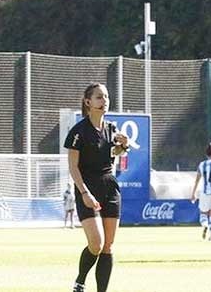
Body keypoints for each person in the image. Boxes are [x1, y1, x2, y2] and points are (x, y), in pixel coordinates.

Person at [65, 83, 131, 292]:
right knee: (96, 243)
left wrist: (124, 146)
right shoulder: (78, 131)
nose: (104, 101)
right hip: (88, 187)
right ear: (88, 102)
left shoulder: (111, 128)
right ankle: (80, 280)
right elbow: (73, 167)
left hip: (109, 186)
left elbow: (113, 154)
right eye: (99, 97)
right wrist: (84, 192)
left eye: (106, 97)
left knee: (107, 247)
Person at [191, 142, 211, 241]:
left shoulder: (202, 165)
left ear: (206, 154)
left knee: (203, 213)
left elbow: (197, 179)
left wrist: (193, 193)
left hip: (205, 192)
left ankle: (205, 225)